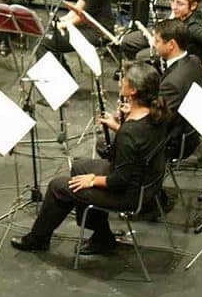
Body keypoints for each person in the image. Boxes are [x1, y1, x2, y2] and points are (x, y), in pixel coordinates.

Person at [11, 61, 169, 255]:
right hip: (148, 181)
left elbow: (119, 181)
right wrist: (122, 124)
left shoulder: (130, 132)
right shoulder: (157, 114)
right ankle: (102, 236)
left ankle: (38, 239)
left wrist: (93, 180)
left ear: (133, 90)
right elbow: (138, 147)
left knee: (58, 187)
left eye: (124, 79)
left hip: (130, 194)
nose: (121, 80)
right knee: (79, 167)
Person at [153, 19, 202, 160]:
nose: (153, 45)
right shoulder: (195, 60)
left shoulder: (171, 83)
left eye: (157, 41)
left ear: (171, 44)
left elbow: (156, 121)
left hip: (175, 144)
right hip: (193, 131)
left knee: (107, 143)